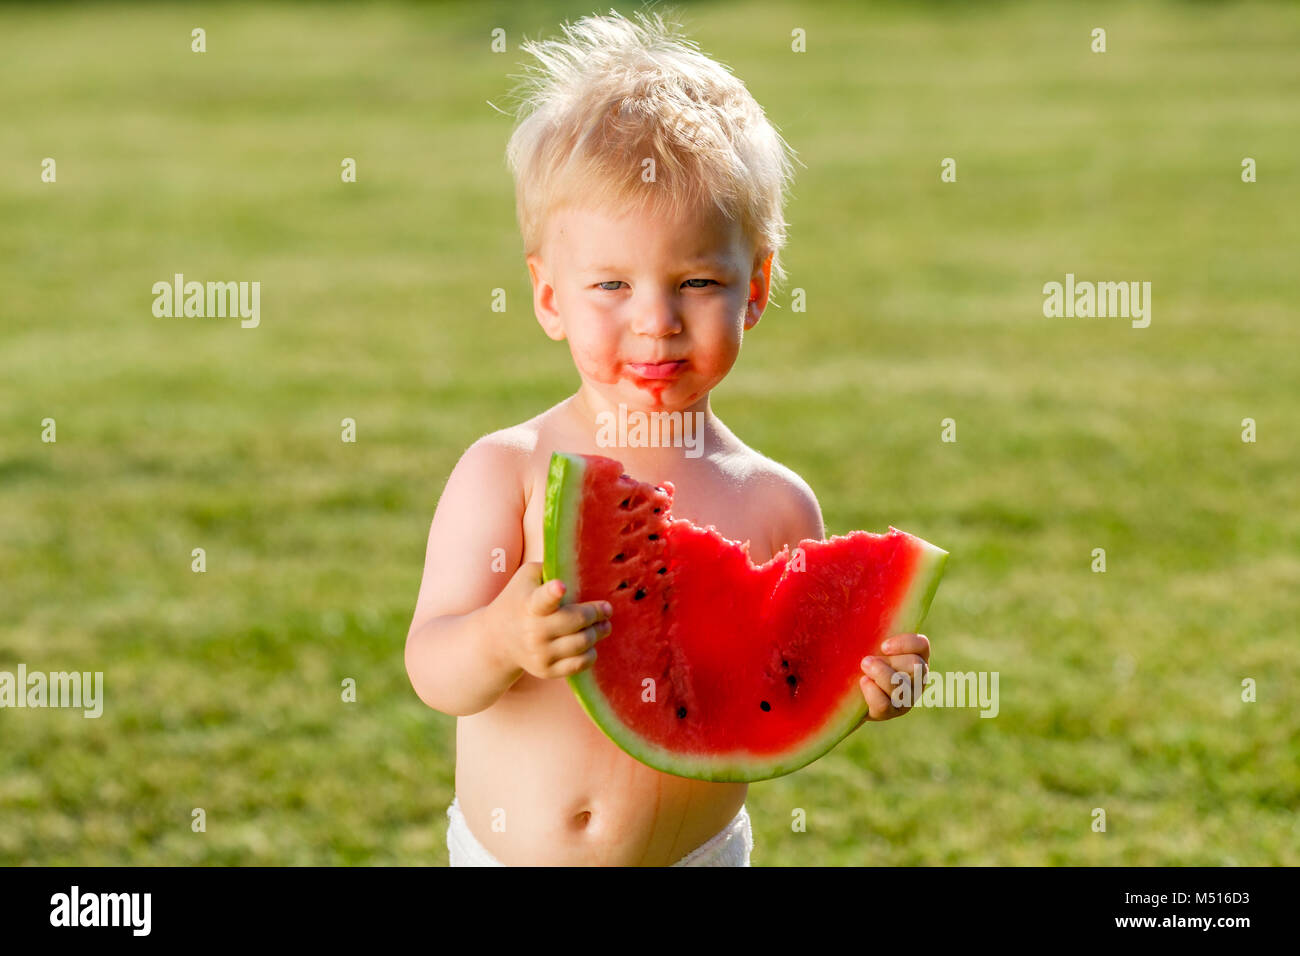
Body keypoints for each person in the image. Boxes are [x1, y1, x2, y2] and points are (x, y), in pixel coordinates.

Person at [405, 8, 930, 866]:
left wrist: (870, 682)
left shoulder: (774, 501)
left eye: (695, 281)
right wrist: (499, 640)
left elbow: (785, 679)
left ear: (755, 289)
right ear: (548, 298)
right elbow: (433, 667)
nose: (655, 323)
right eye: (610, 283)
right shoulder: (505, 471)